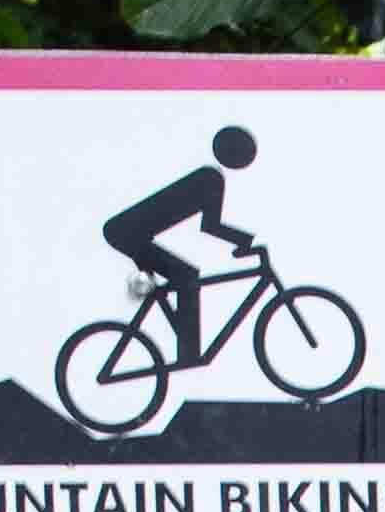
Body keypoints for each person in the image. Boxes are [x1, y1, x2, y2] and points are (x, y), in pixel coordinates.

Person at [100, 127, 264, 371]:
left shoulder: (210, 175)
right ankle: (187, 354)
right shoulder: (211, 178)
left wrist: (242, 242)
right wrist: (245, 241)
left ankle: (186, 346)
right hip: (126, 233)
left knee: (183, 279)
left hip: (129, 233)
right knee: (186, 276)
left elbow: (209, 226)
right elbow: (210, 226)